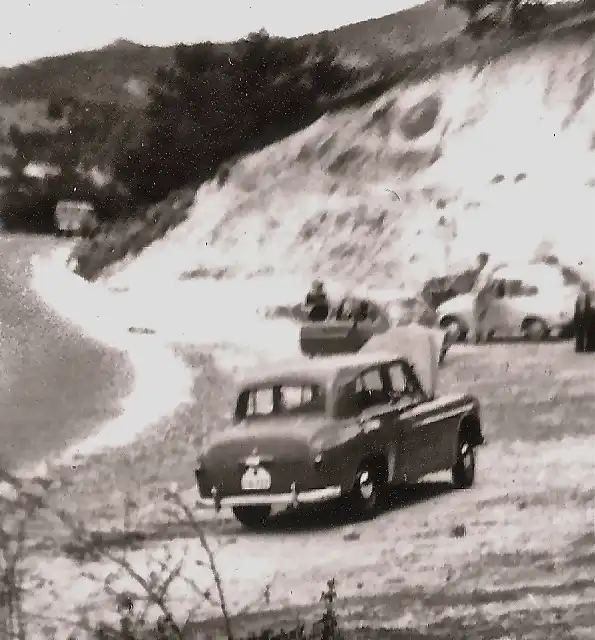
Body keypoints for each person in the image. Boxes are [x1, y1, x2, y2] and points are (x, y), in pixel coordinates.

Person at [575, 282, 595, 353]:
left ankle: (581, 348)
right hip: (583, 317)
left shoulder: (583, 295)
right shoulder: (583, 295)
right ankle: (588, 348)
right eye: (587, 286)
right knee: (588, 332)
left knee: (582, 333)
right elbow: (582, 308)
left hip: (581, 316)